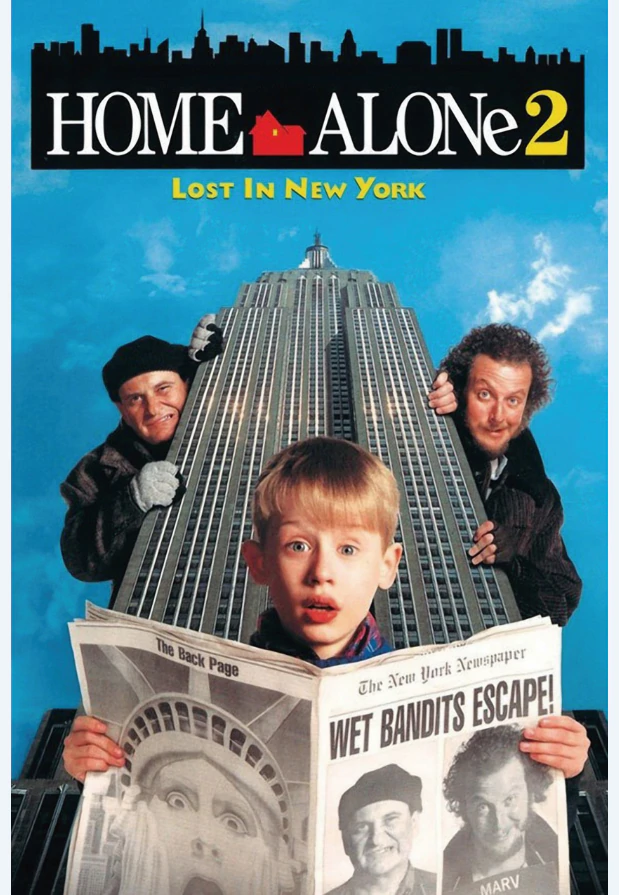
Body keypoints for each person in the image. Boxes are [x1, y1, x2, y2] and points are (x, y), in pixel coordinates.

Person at [63, 438, 589, 816]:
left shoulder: (441, 686)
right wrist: (93, 765)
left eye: (349, 549)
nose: (322, 572)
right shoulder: (196, 691)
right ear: (258, 561)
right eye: (298, 546)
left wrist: (562, 768)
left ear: (388, 565)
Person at [60, 317, 223, 604]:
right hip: (165, 604)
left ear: (187, 384)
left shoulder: (224, 419)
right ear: (120, 408)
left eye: (163, 388)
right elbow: (81, 562)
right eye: (136, 399)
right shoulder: (93, 471)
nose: (153, 408)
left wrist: (210, 352)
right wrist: (132, 499)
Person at [433, 323, 581, 627]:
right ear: (460, 391)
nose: (498, 417)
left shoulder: (539, 500)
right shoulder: (431, 432)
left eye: (513, 400)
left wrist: (516, 560)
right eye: (485, 394)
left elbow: (561, 604)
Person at [442, 723, 577, 893]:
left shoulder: (555, 853)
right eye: (483, 806)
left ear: (531, 791)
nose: (499, 823)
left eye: (510, 799)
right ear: (464, 807)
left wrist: (571, 768)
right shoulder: (441, 882)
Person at [326, 764, 436, 895]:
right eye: (361, 827)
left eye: (390, 820)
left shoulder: (444, 887)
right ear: (346, 842)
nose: (376, 840)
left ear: (414, 824)